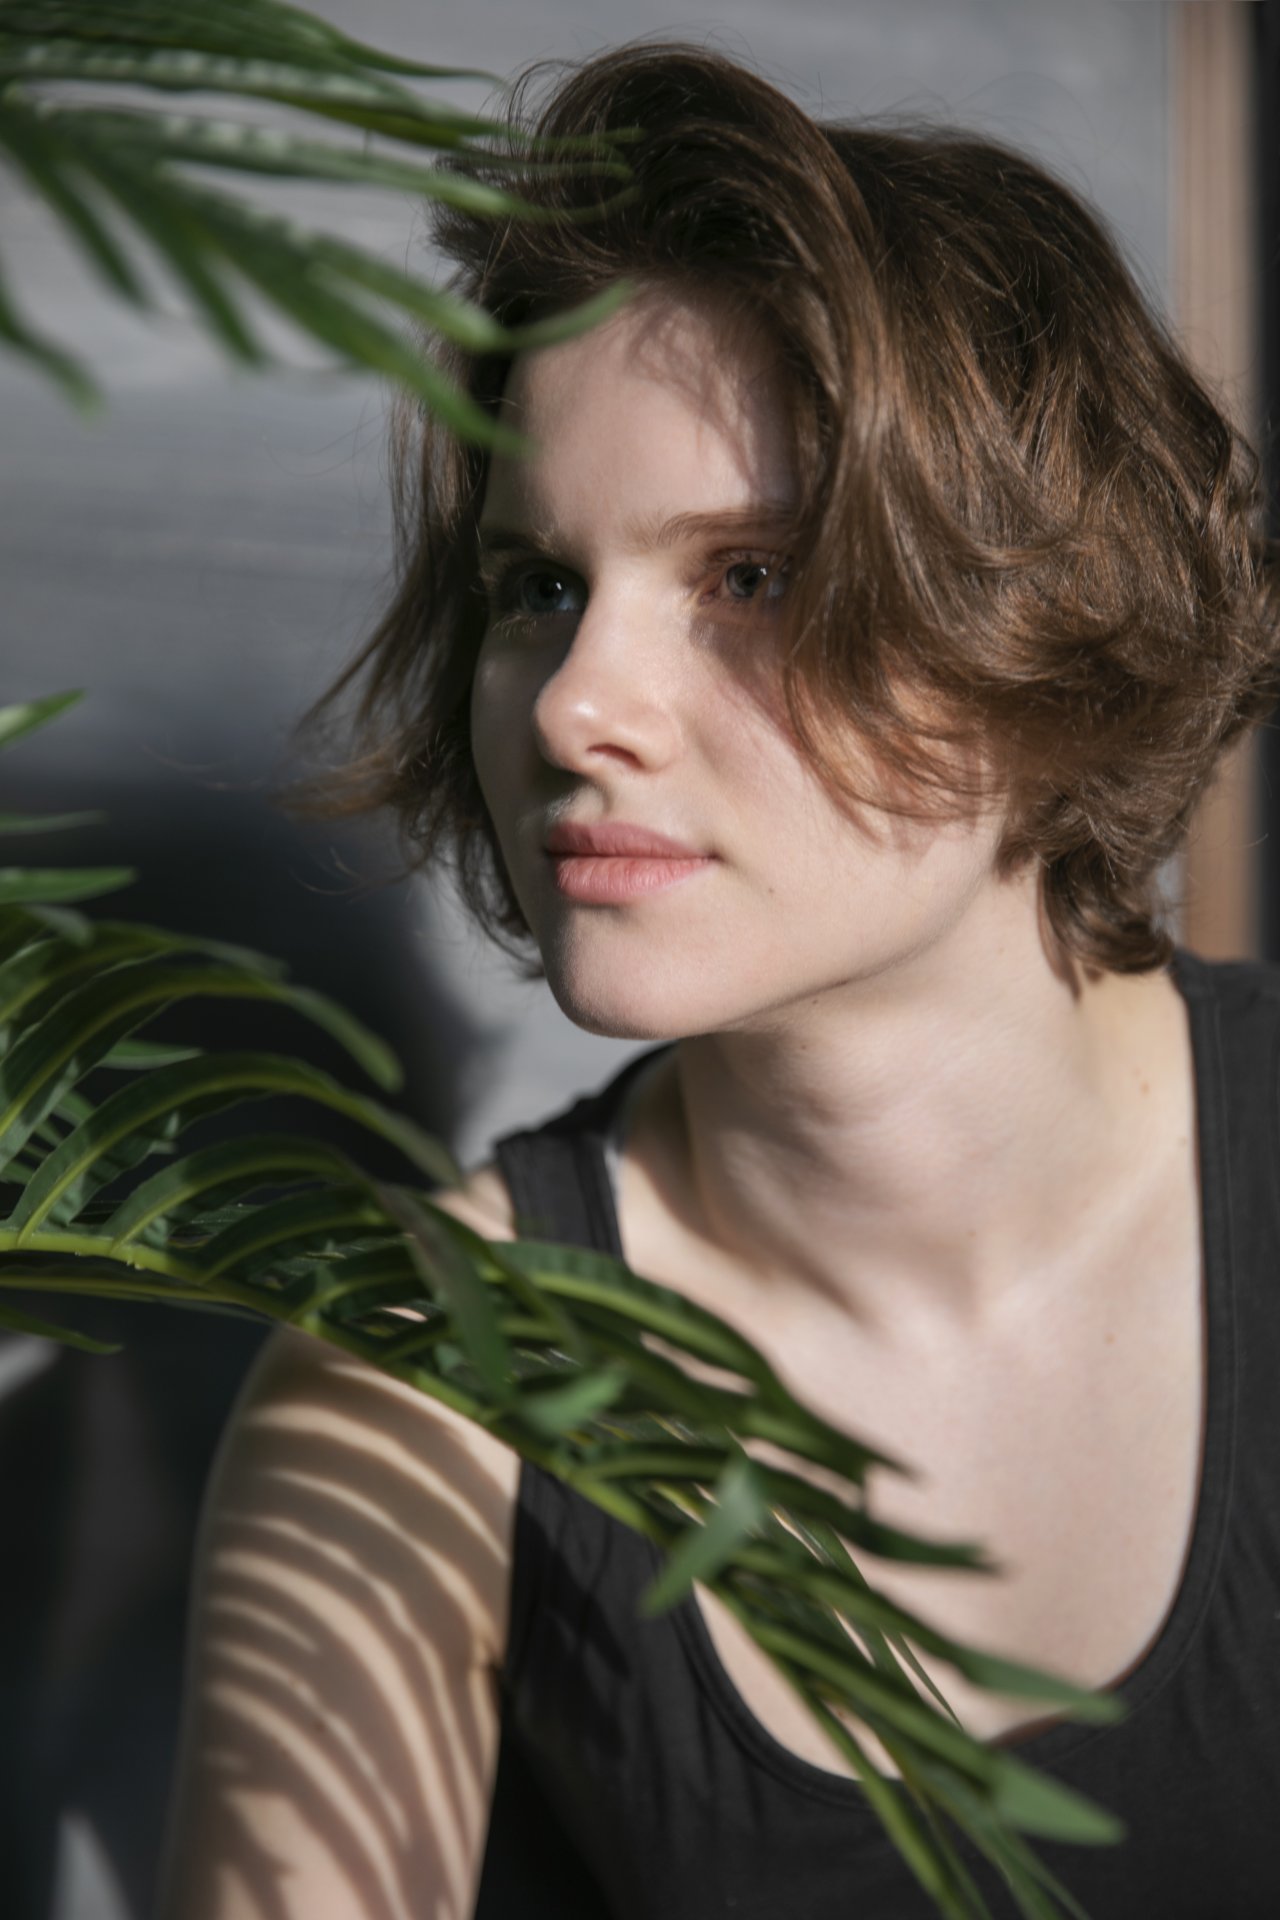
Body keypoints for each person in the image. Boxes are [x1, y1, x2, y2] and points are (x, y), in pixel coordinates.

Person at [157, 38, 1280, 1920]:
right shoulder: (422, 1390)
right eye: (540, 586)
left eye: (750, 575)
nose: (576, 708)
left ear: (1044, 617)